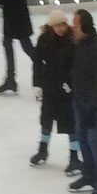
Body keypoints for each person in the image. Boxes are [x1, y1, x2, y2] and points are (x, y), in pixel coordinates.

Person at [68, 9, 97, 194]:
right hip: (80, 100)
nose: (73, 28)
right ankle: (88, 175)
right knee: (82, 139)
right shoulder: (78, 44)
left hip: (96, 103)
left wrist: (92, 107)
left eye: (76, 24)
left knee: (94, 139)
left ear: (85, 26)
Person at [29, 10, 77, 168]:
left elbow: (77, 65)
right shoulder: (44, 39)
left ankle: (74, 156)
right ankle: (43, 150)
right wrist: (37, 84)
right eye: (57, 25)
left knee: (70, 123)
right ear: (51, 26)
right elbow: (37, 62)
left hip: (66, 90)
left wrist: (71, 82)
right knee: (46, 119)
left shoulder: (72, 40)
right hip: (50, 87)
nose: (61, 28)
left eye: (63, 24)